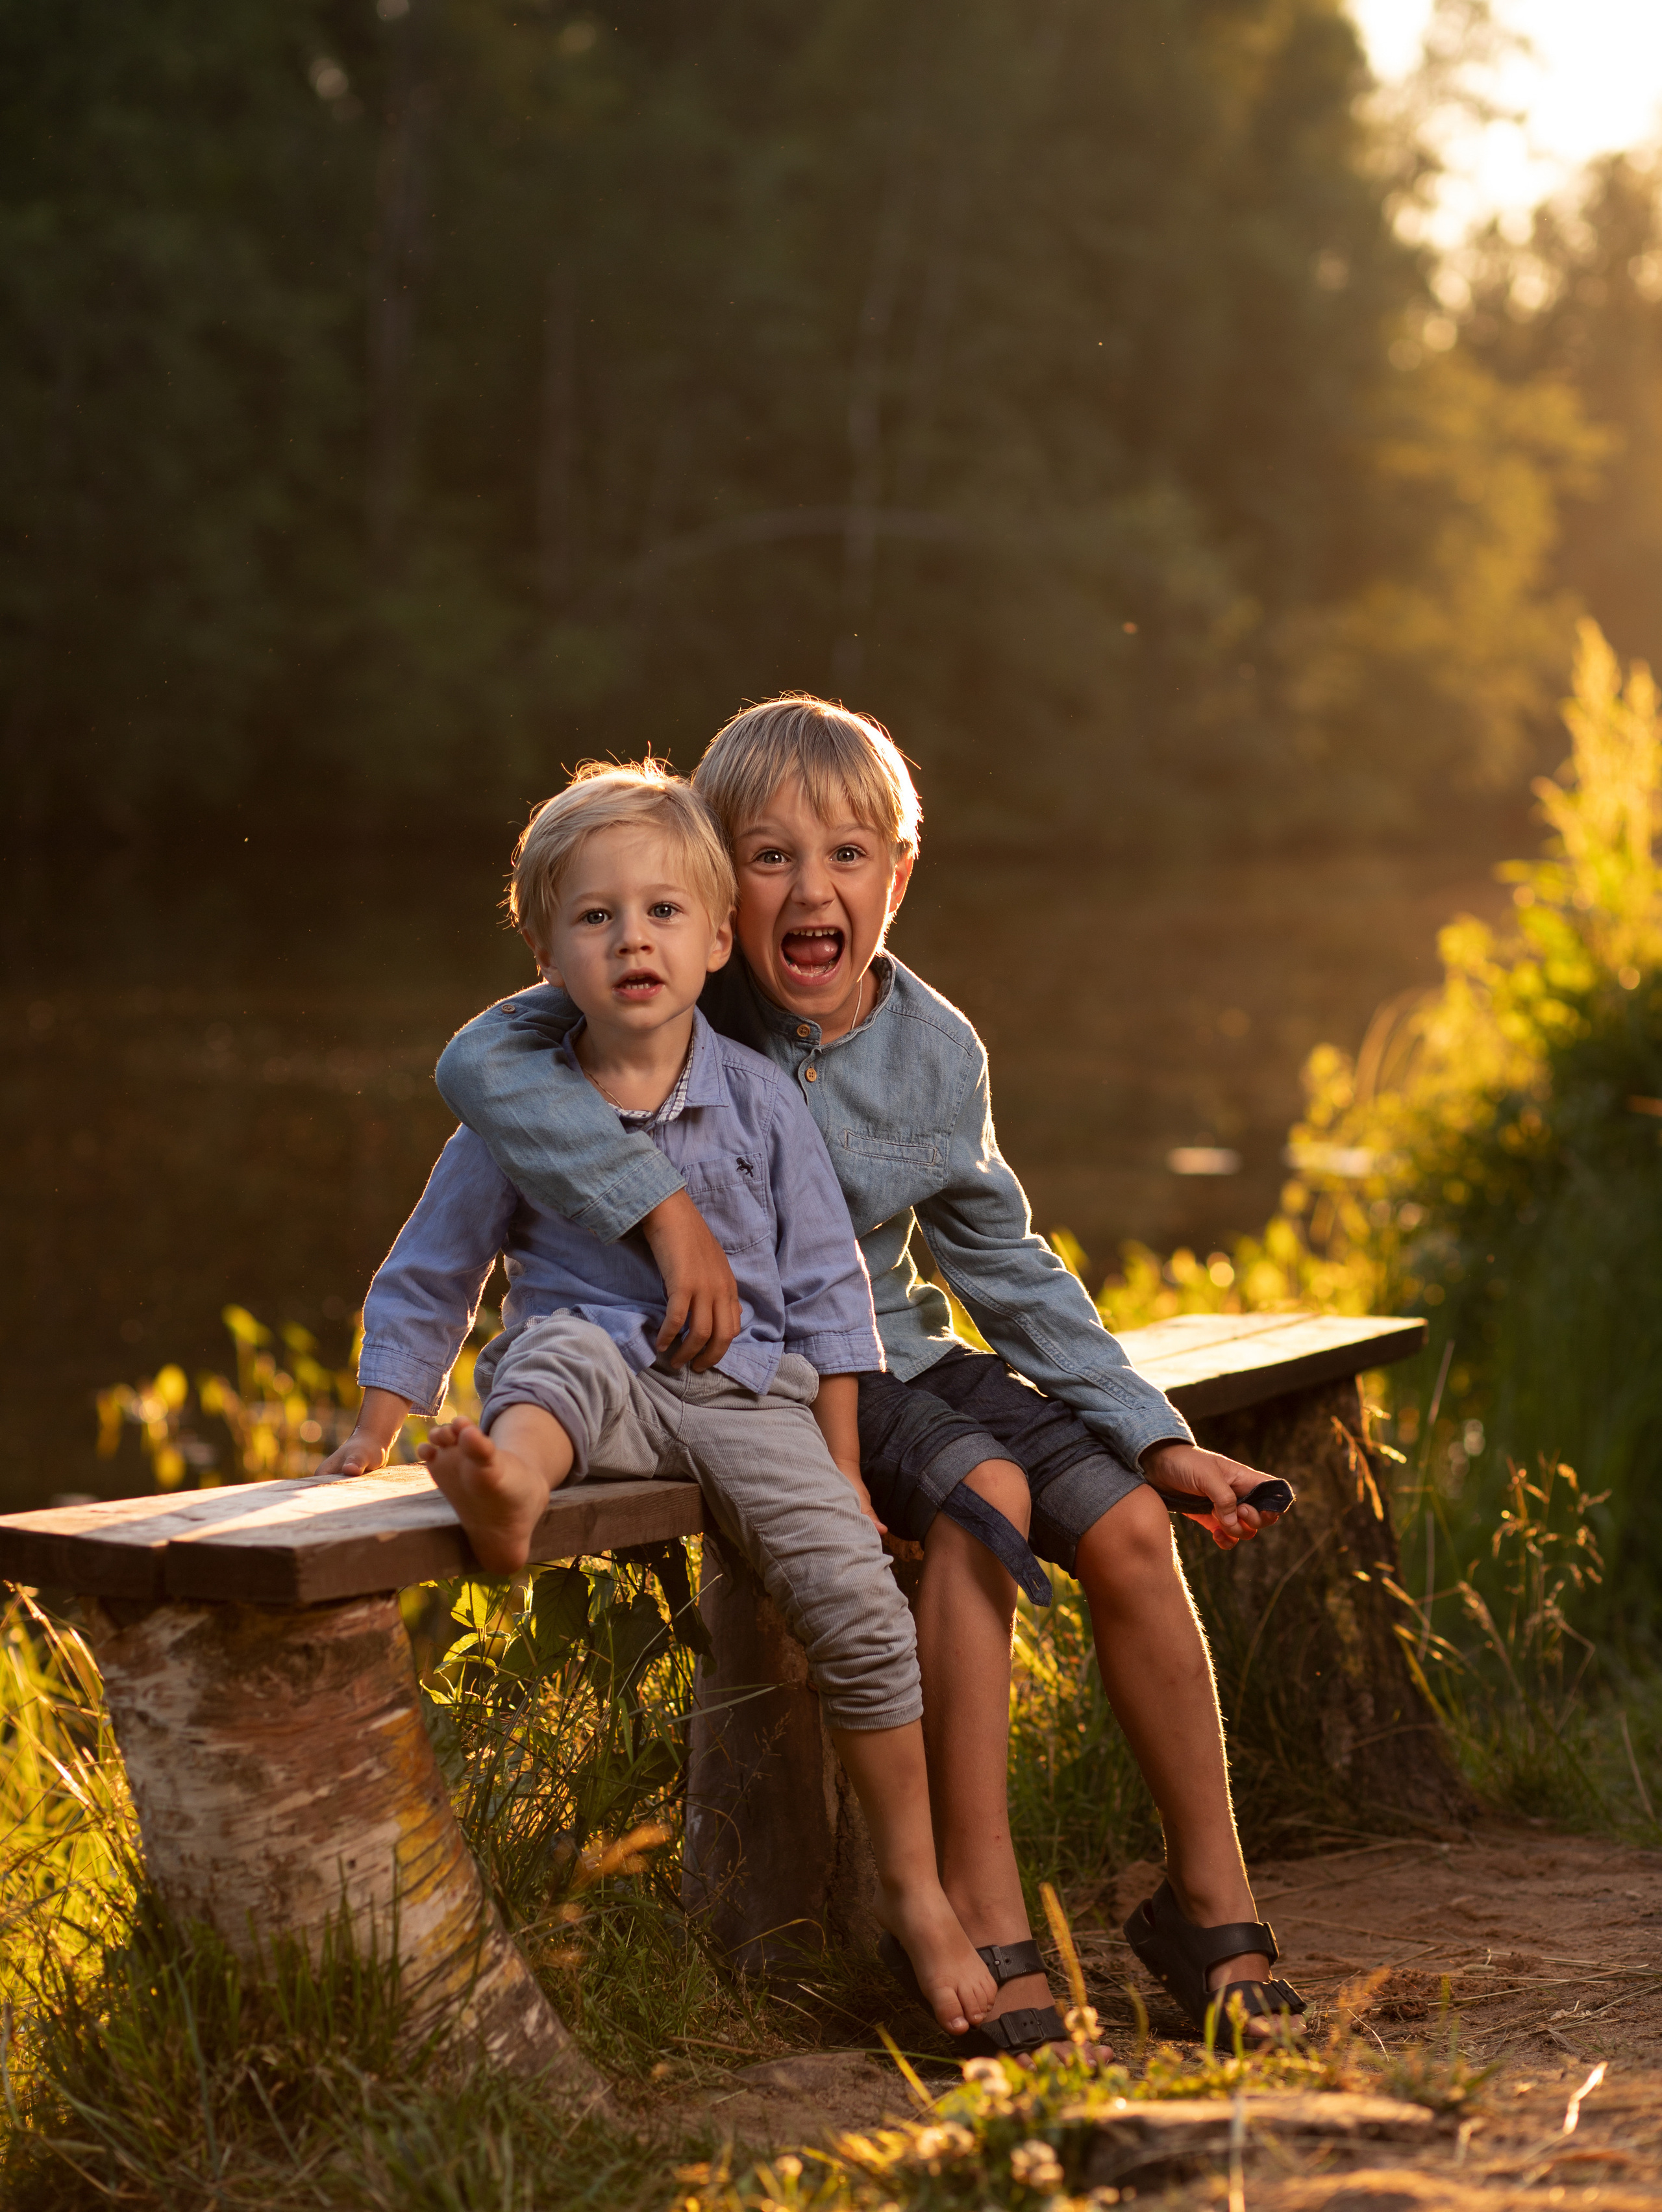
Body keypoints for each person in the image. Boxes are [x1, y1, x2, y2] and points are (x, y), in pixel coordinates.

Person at [435, 698, 1308, 2048]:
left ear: (896, 878)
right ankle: (980, 1917)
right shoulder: (670, 978)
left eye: (848, 856)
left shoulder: (933, 1048)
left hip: (908, 1350)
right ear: (722, 887)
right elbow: (486, 1058)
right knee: (981, 1508)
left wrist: (1153, 1437)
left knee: (1136, 1532)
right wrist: (658, 1208)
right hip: (794, 1372)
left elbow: (1001, 1263)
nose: (809, 889)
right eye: (768, 856)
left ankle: (1209, 1916)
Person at [317, 760, 1004, 2041]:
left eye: (663, 913)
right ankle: (506, 1488)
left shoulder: (756, 1099)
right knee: (555, 1359)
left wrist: (846, 1471)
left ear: (712, 937)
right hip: (594, 1379)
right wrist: (379, 1417)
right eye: (594, 918)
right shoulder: (518, 1116)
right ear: (543, 951)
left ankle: (916, 1895)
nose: (631, 938)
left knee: (860, 1613)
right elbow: (437, 1266)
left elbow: (826, 1293)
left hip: (751, 1393)